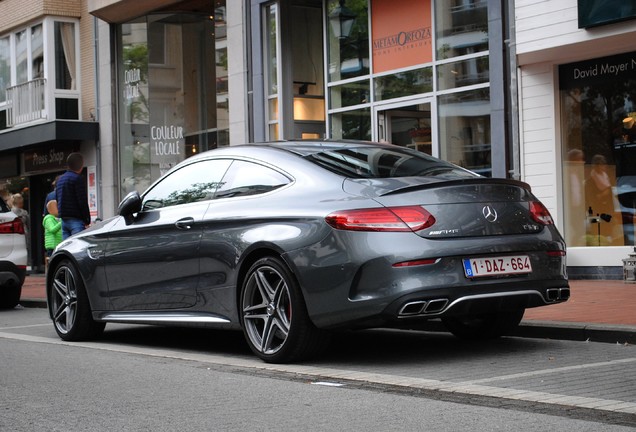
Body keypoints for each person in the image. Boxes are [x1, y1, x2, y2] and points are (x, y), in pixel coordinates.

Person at [56, 152, 91, 239]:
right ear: (81, 165)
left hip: (64, 219)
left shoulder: (60, 179)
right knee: (78, 246)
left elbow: (57, 198)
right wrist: (87, 219)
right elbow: (82, 200)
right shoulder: (77, 178)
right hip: (76, 219)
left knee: (67, 247)